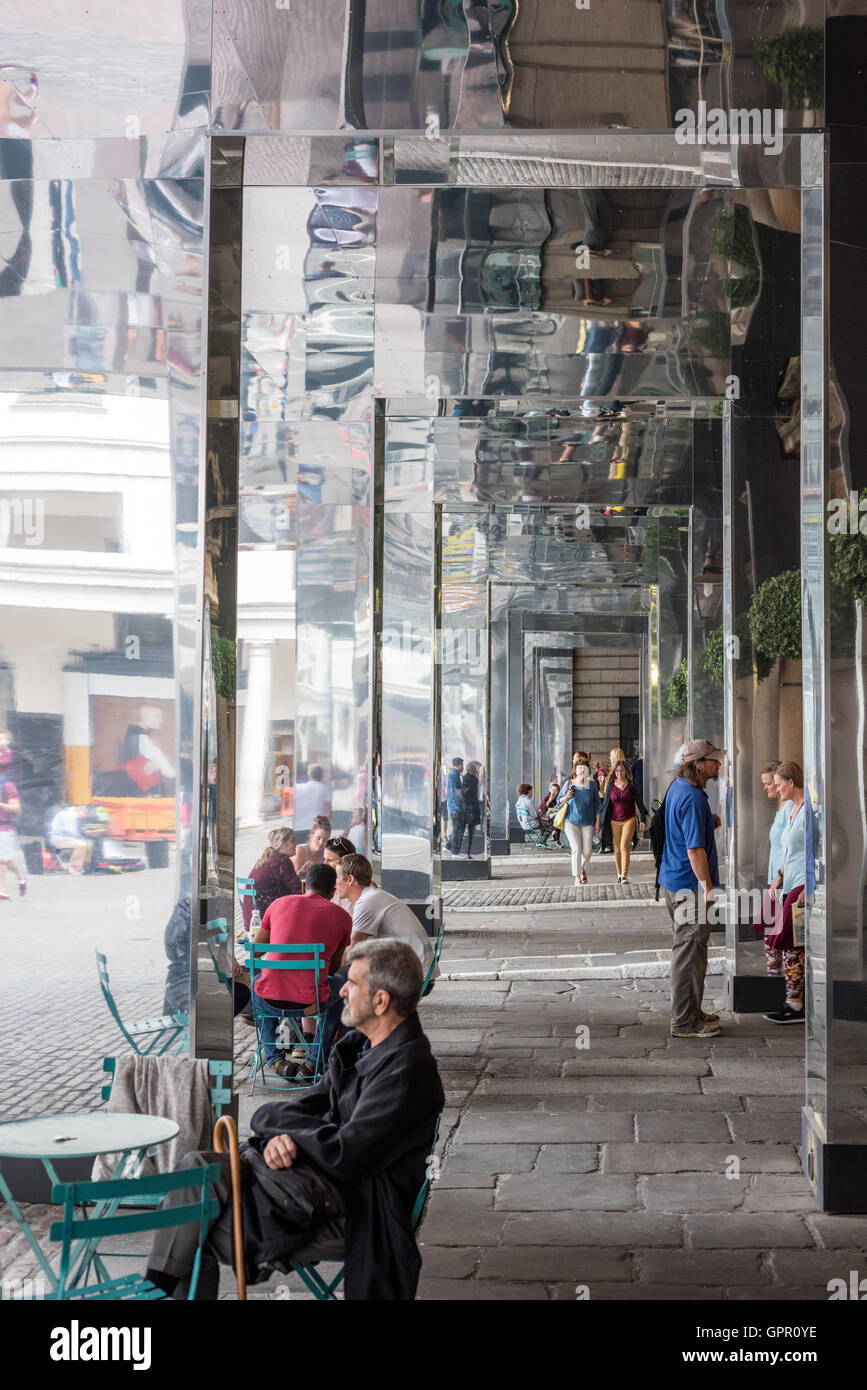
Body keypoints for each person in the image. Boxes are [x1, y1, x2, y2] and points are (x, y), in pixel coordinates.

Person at [145, 939, 444, 1301]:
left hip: (352, 1208)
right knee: (196, 1170)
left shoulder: (406, 1071)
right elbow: (287, 1109)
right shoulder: (359, 1045)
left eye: (352, 983)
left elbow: (346, 1154)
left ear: (381, 1002)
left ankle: (155, 1287)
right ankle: (157, 1285)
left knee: (194, 1221)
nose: (342, 990)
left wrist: (293, 1138)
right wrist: (280, 1136)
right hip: (313, 1184)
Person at [251, 862, 352, 1079]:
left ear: (305, 885)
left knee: (258, 983)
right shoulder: (343, 917)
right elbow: (333, 968)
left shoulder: (278, 904)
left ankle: (276, 1060)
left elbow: (257, 951)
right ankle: (313, 1062)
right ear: (333, 891)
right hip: (311, 1003)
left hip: (269, 1000)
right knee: (344, 983)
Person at [658, 739, 726, 1039]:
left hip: (674, 881)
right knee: (688, 953)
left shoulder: (680, 788)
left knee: (693, 952)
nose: (718, 765)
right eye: (713, 760)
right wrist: (709, 888)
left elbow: (682, 826)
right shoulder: (694, 798)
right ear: (698, 764)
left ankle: (692, 1011)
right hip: (690, 888)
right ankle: (684, 1022)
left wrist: (707, 821)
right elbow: (694, 850)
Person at [335, 854, 438, 986]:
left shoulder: (368, 901)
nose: (334, 882)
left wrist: (331, 971)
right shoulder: (372, 895)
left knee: (340, 984)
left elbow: (352, 948)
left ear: (350, 879)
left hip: (414, 977)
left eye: (336, 877)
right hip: (418, 971)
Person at [764, 761, 811, 1025]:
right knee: (788, 944)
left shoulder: (808, 812)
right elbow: (789, 851)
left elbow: (813, 850)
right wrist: (779, 878)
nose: (777, 789)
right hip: (789, 882)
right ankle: (789, 998)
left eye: (780, 784)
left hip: (802, 886)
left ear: (792, 783)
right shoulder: (793, 809)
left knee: (791, 943)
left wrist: (807, 886)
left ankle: (795, 1003)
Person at [598, 758, 648, 884]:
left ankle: (624, 875)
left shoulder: (632, 785)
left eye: (622, 771)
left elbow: (639, 802)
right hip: (614, 821)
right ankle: (619, 874)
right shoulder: (610, 786)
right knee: (617, 848)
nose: (619, 773)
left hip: (629, 819)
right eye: (617, 771)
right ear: (614, 772)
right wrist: (600, 820)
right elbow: (605, 804)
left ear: (626, 771)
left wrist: (642, 819)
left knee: (624, 846)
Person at [242, 827, 302, 931]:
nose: (296, 844)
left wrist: (301, 874)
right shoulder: (282, 859)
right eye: (292, 841)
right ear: (283, 844)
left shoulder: (269, 858)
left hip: (251, 919)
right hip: (265, 921)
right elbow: (297, 890)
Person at [556, 763, 599, 885]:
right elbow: (558, 801)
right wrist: (567, 797)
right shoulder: (569, 784)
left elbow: (597, 805)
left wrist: (598, 821)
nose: (581, 770)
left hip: (588, 821)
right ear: (575, 770)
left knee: (587, 851)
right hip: (571, 821)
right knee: (576, 849)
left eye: (584, 768)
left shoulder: (591, 785)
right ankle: (577, 875)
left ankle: (582, 869)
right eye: (579, 767)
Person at [0, 741, 26, 897]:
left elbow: (16, 808)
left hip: (6, 828)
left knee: (4, 860)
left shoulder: (8, 786)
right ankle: (2, 891)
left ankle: (21, 877)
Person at [48, 803, 93, 876]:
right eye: (84, 813)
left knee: (90, 844)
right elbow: (71, 832)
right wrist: (82, 836)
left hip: (68, 839)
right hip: (58, 839)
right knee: (81, 844)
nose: (85, 815)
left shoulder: (73, 816)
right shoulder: (67, 815)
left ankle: (85, 865)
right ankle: (75, 866)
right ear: (78, 810)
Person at [292, 764, 332, 840]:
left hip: (297, 827)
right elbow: (328, 809)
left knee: (297, 850)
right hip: (315, 827)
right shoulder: (325, 788)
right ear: (321, 775)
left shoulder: (297, 787)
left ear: (309, 774)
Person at [323, 836, 358, 915]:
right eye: (324, 859)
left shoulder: (355, 890)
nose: (324, 863)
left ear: (345, 863)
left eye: (330, 860)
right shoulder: (328, 883)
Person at [292, 815, 331, 880]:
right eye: (318, 838)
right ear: (311, 836)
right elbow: (292, 880)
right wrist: (302, 873)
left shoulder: (326, 855)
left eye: (325, 840)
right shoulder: (300, 850)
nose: (321, 842)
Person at [461, 760, 483, 858]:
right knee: (471, 830)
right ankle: (469, 851)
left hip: (466, 807)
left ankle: (459, 848)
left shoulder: (464, 778)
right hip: (474, 807)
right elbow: (477, 794)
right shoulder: (475, 779)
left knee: (461, 829)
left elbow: (463, 793)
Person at [446, 757, 465, 854]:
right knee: (457, 830)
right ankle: (454, 852)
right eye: (462, 765)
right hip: (455, 808)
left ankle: (449, 846)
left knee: (457, 829)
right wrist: (458, 808)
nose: (463, 767)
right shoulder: (454, 775)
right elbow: (453, 793)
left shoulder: (455, 774)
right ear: (458, 765)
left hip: (455, 806)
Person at [539, 779, 562, 844]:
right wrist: (549, 800)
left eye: (555, 790)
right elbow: (543, 807)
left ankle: (556, 838)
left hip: (556, 816)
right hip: (546, 817)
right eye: (552, 790)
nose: (553, 792)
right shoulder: (548, 796)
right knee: (555, 821)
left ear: (558, 791)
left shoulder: (560, 797)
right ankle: (556, 838)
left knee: (557, 820)